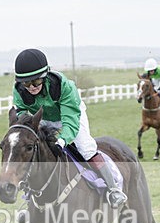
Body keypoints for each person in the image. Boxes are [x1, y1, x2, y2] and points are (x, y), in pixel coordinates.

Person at [12, 48, 127, 209]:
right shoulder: (19, 90)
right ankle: (29, 199)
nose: (31, 87)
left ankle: (113, 189)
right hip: (44, 118)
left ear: (45, 76)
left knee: (85, 148)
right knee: (36, 151)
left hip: (71, 114)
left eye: (36, 82)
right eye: (26, 83)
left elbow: (70, 120)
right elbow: (22, 115)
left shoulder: (63, 86)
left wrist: (62, 140)